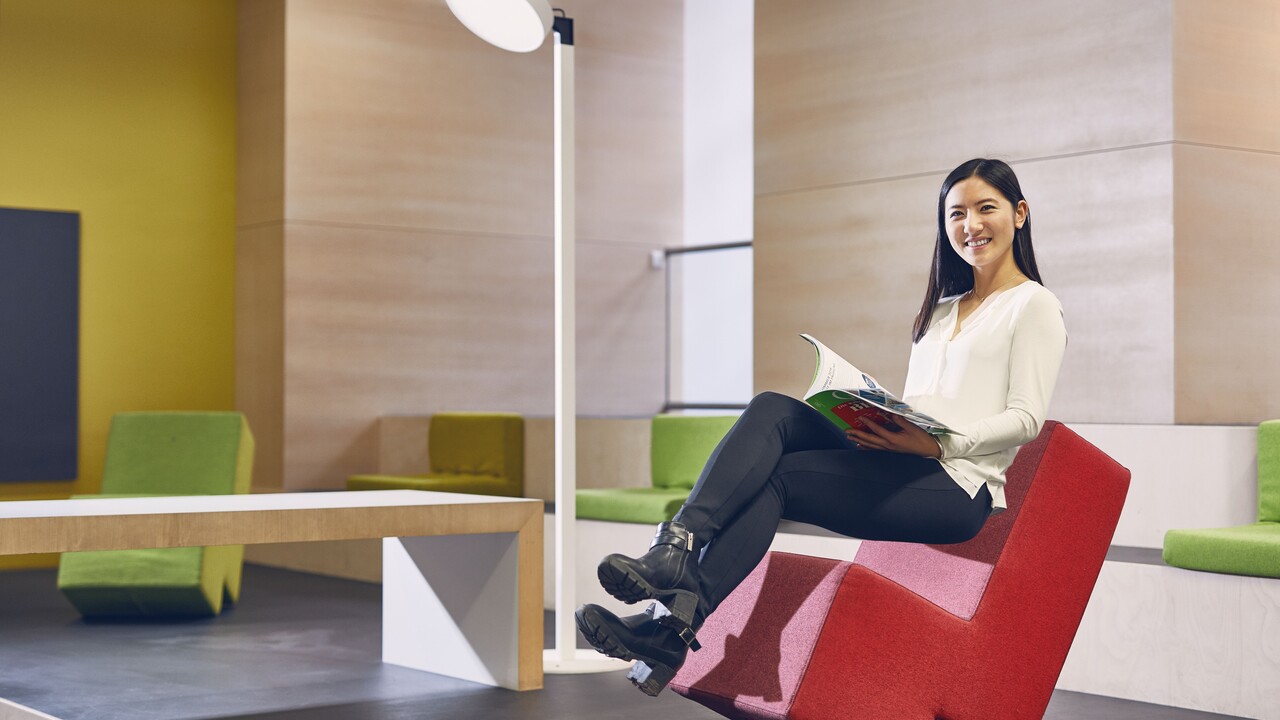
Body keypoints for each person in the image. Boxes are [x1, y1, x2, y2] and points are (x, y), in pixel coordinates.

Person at [575, 158, 1068, 696]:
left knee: (780, 479)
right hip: (905, 458)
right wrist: (875, 414)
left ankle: (668, 628)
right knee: (772, 410)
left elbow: (1026, 418)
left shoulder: (1034, 305)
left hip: (958, 486)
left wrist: (939, 443)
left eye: (985, 208)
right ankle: (677, 546)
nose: (970, 224)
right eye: (956, 213)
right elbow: (932, 402)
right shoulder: (942, 310)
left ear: (1019, 214)